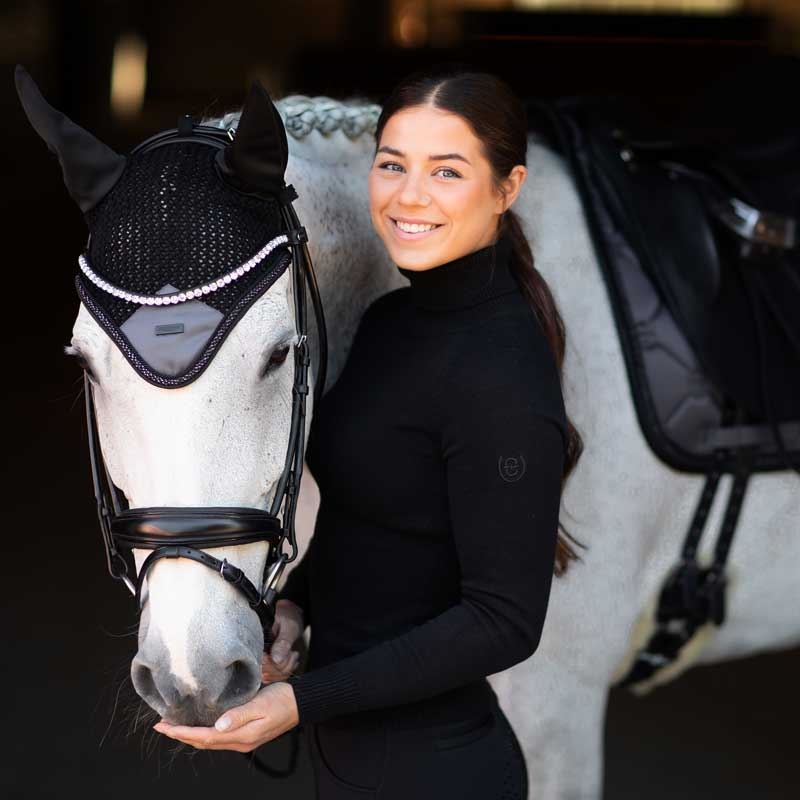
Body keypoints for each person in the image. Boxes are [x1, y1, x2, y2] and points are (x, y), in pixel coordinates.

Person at [154, 64, 584, 799]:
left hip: (442, 772)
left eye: (446, 171)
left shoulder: (503, 368)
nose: (408, 195)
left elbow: (504, 621)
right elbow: (379, 518)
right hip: (350, 762)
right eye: (392, 164)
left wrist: (300, 701)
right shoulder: (391, 322)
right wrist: (296, 607)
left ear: (507, 188)